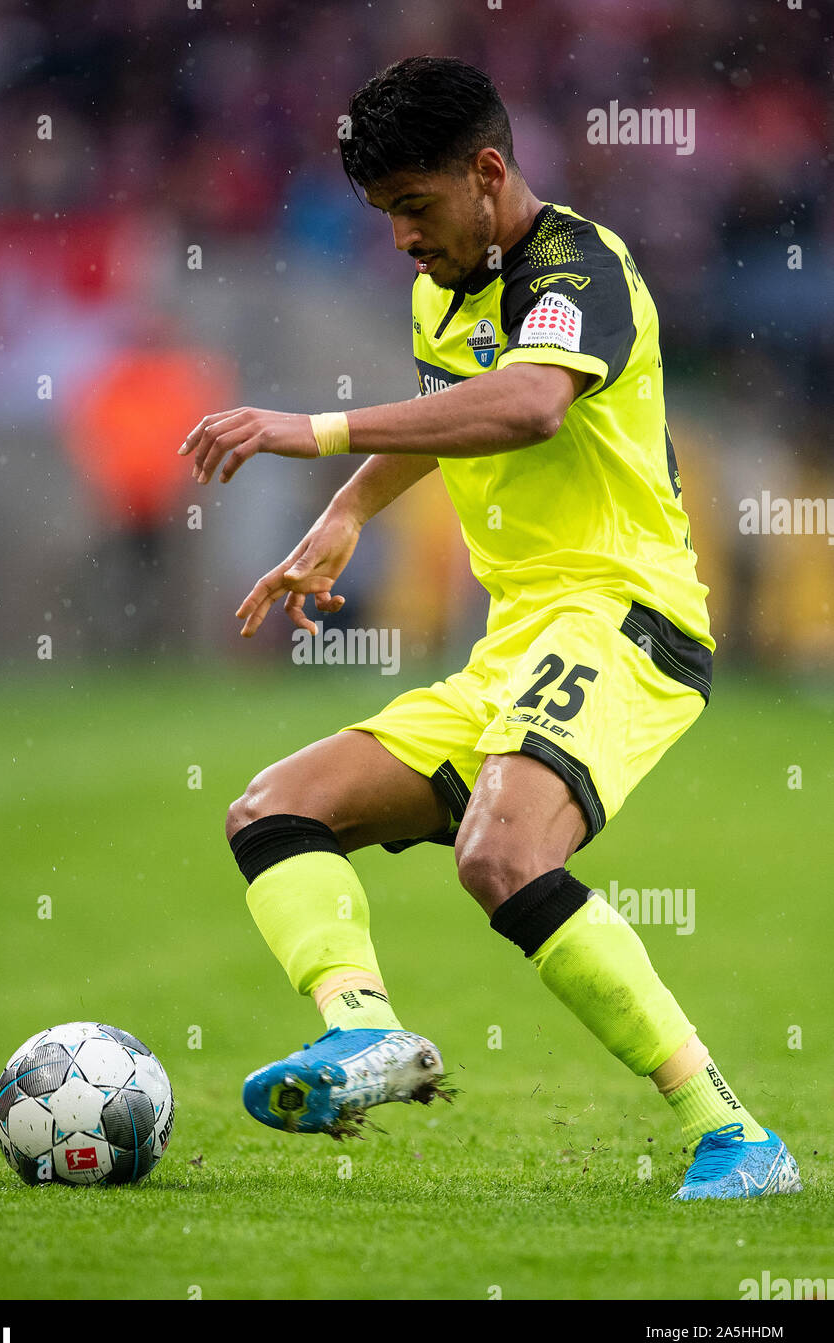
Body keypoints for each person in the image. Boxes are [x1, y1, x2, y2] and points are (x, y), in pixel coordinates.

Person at [180, 57, 801, 1199]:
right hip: (516, 642)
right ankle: (362, 1030)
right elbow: (440, 417)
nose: (405, 240)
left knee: (504, 854)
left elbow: (527, 401)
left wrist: (306, 432)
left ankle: (738, 1136)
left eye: (416, 208)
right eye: (387, 218)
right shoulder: (443, 288)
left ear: (487, 172)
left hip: (626, 614)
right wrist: (344, 514)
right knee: (273, 811)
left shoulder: (578, 265)